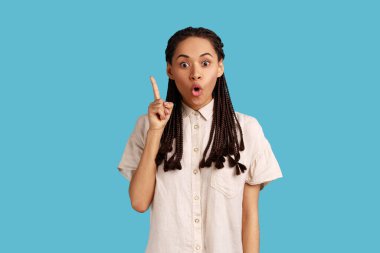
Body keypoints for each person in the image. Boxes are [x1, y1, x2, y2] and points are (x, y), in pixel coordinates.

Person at [117, 26, 283, 253]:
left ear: (220, 67)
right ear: (170, 70)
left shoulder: (247, 129)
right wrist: (155, 132)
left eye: (205, 63)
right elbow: (138, 202)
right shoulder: (146, 126)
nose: (195, 73)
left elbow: (249, 216)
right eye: (184, 64)